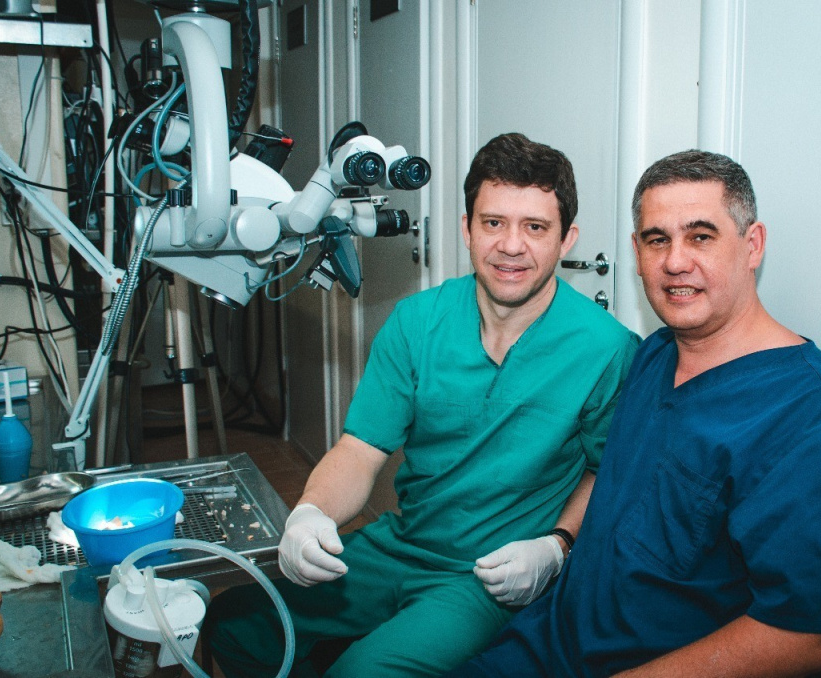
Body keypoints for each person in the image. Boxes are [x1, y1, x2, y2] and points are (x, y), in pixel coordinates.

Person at [202, 133, 640, 678]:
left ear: (566, 238)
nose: (511, 246)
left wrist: (557, 546)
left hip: (487, 577)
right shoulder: (416, 323)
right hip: (403, 545)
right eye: (493, 222)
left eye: (535, 227)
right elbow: (360, 450)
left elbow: (604, 470)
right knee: (235, 621)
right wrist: (310, 512)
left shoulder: (605, 349)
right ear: (466, 228)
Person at [449, 150, 821, 678]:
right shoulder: (654, 356)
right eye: (657, 240)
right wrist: (558, 545)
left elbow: (807, 637)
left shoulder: (816, 420)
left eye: (701, 236)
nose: (676, 262)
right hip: (547, 642)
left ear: (752, 245)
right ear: (636, 253)